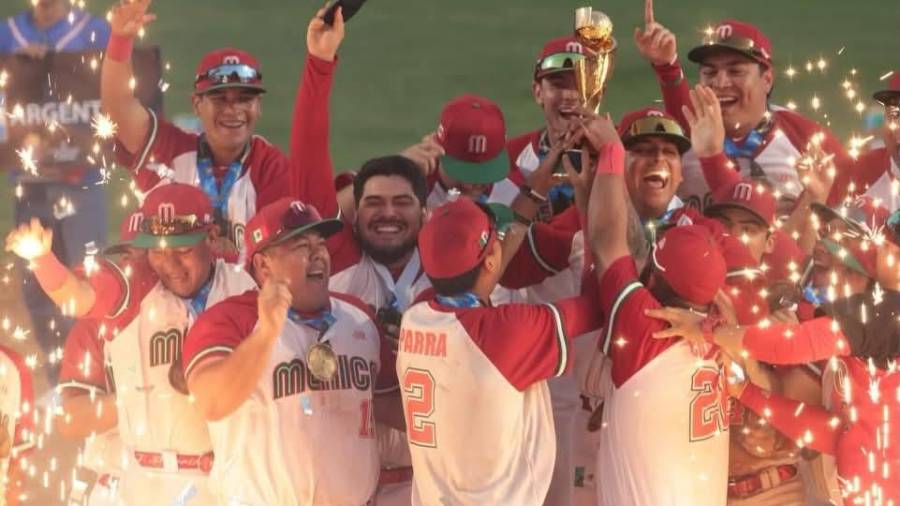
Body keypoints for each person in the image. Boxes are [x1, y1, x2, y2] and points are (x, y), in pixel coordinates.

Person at [6, 183, 257, 505]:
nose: (170, 265)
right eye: (156, 251)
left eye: (181, 250)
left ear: (210, 238)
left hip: (228, 479)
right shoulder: (133, 289)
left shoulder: (246, 285)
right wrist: (43, 260)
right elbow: (78, 296)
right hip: (142, 482)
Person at [183, 197, 401, 505]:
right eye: (300, 245)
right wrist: (267, 333)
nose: (318, 254)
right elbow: (212, 403)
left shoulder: (359, 316)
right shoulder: (227, 320)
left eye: (320, 243)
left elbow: (392, 404)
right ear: (262, 264)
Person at [398, 194, 603, 505]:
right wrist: (589, 210)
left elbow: (482, 276)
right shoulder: (506, 333)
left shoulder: (415, 316)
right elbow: (596, 306)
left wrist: (536, 190)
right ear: (492, 260)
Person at [101, 0, 336, 259]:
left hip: (245, 297)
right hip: (166, 293)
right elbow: (118, 108)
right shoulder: (170, 149)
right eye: (219, 98)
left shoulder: (272, 170)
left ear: (259, 107)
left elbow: (282, 258)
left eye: (244, 99)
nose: (232, 109)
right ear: (196, 105)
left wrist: (230, 258)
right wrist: (120, 39)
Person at [585, 107, 731, 504]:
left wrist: (611, 154)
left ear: (653, 277)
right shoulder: (724, 333)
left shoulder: (645, 324)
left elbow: (605, 241)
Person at [634, 0, 853, 213]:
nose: (720, 83)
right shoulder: (679, 140)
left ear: (766, 79)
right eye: (709, 72)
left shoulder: (808, 141)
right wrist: (666, 65)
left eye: (735, 71)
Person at [0, 0, 111, 383]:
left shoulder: (97, 33)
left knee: (89, 277)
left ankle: (95, 377)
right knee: (36, 287)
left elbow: (115, 101)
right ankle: (57, 379)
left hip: (84, 182)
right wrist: (20, 69)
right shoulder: (6, 36)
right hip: (30, 183)